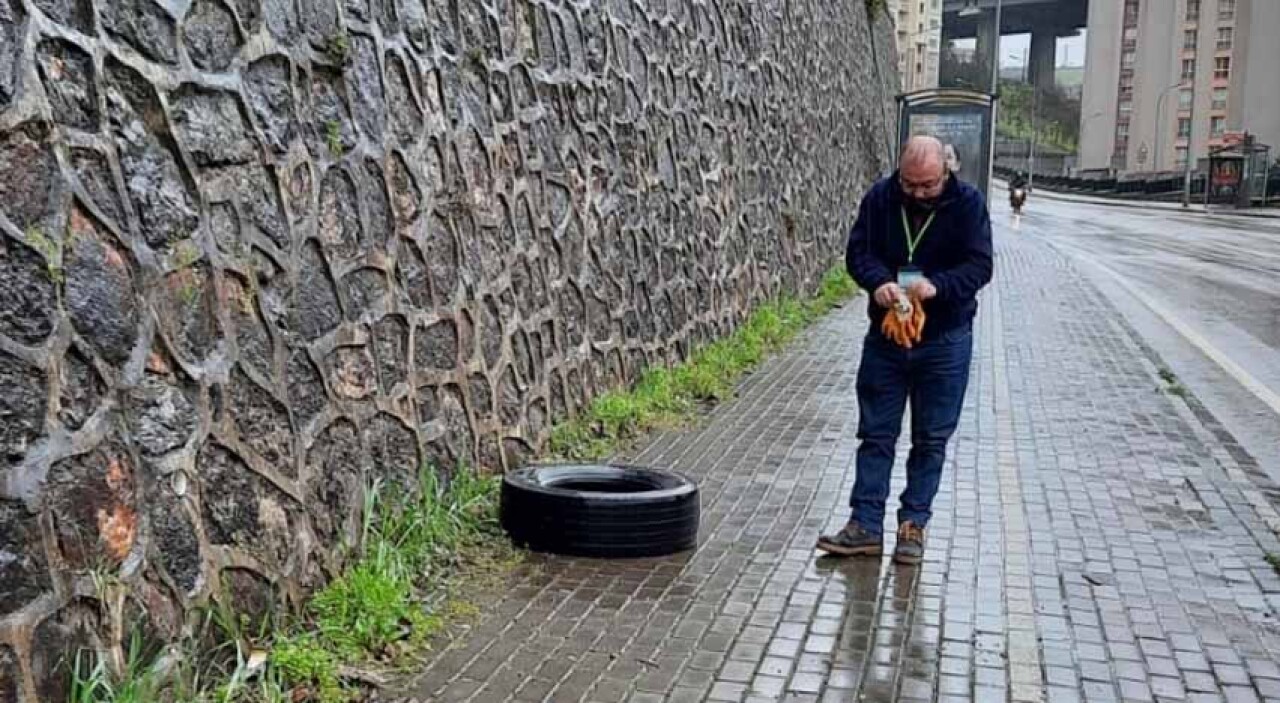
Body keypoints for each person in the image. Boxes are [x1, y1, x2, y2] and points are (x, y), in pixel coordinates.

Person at [817, 135, 993, 565]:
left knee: (930, 439)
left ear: (946, 173)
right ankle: (865, 525)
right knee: (875, 434)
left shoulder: (968, 205)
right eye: (909, 185)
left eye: (927, 185)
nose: (916, 193)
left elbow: (980, 265)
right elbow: (858, 252)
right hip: (887, 340)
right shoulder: (880, 198)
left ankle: (912, 525)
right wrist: (878, 283)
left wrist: (938, 287)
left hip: (944, 340)